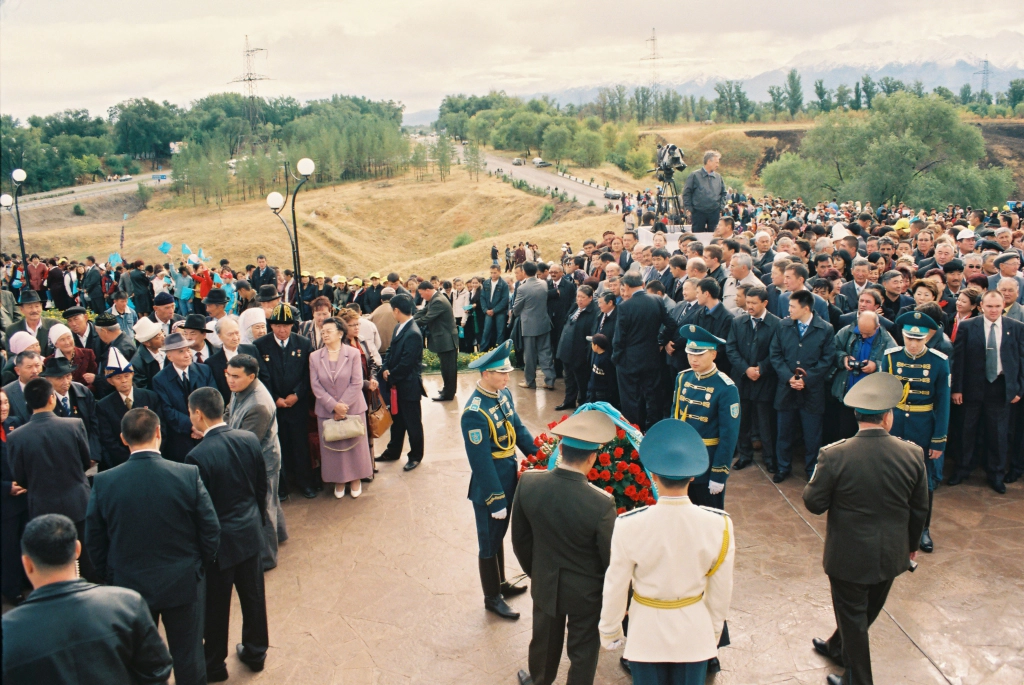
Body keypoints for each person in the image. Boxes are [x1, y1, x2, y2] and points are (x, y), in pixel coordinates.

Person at [803, 373, 929, 685]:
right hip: (891, 554)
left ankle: (858, 680)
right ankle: (836, 647)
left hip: (848, 557)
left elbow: (814, 504)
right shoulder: (912, 454)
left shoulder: (834, 455)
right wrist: (911, 545)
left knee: (854, 615)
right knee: (863, 611)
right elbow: (920, 509)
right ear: (888, 416)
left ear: (856, 415)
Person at [87, 407, 221, 685]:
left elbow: (95, 541)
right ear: (159, 432)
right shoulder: (187, 475)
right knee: (189, 656)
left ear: (123, 439)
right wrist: (198, 565)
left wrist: (111, 576)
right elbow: (210, 529)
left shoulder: (103, 483)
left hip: (129, 585)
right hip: (184, 581)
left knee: (140, 661)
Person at [599, 419, 735, 685]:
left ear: (653, 474)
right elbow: (720, 591)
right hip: (694, 634)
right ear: (693, 476)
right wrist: (713, 632)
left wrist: (610, 630)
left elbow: (616, 584)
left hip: (646, 633)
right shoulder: (719, 524)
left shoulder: (629, 525)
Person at [2, 514, 173, 685]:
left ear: (27, 563)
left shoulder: (8, 631)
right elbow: (157, 671)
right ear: (77, 549)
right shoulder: (126, 604)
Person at [511, 410, 618, 685]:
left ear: (560, 448)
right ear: (593, 458)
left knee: (543, 642)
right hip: (586, 593)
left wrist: (537, 571)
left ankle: (538, 681)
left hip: (545, 581)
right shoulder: (601, 503)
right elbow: (610, 560)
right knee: (583, 652)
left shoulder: (529, 483)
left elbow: (520, 540)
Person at [185, 388, 269, 681]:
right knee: (254, 598)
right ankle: (257, 652)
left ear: (198, 413)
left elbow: (200, 511)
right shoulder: (248, 439)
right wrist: (257, 521)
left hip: (218, 543)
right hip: (249, 533)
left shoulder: (196, 456)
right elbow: (261, 487)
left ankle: (215, 664)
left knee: (216, 606)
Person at [461, 341, 538, 620]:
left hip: (508, 475)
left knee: (499, 535)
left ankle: (501, 583)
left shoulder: (502, 395)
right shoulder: (474, 412)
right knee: (488, 542)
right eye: (501, 373)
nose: (507, 377)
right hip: (489, 487)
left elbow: (517, 428)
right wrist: (495, 498)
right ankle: (491, 597)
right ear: (486, 375)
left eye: (507, 372)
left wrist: (538, 455)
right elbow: (480, 462)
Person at [8, 377, 98, 581]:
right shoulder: (74, 425)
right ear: (52, 398)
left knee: (52, 561)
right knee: (87, 559)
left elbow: (19, 477)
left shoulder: (17, 437)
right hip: (77, 501)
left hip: (42, 505)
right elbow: (86, 462)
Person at [882, 312, 950, 554]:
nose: (912, 343)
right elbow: (885, 395)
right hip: (896, 422)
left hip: (924, 425)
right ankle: (894, 526)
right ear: (902, 335)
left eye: (918, 339)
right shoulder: (891, 357)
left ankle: (923, 528)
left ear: (927, 338)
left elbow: (943, 404)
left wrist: (938, 440)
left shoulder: (939, 361)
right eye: (909, 337)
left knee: (925, 482)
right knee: (892, 476)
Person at [950, 290, 1024, 493]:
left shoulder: (1016, 328)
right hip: (972, 387)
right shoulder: (967, 326)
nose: (993, 310)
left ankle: (996, 474)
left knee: (998, 434)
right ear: (981, 306)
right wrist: (957, 389)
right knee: (967, 430)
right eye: (989, 306)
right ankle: (962, 469)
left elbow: (1021, 360)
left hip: (1000, 388)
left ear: (1003, 307)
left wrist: (1018, 388)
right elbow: (958, 361)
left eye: (997, 306)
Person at [224, 354, 287, 570]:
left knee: (265, 508)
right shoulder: (240, 390)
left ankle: (267, 559)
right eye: (228, 375)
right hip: (261, 457)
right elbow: (229, 413)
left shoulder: (258, 404)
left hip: (263, 462)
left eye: (235, 376)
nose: (230, 380)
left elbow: (246, 442)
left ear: (251, 376)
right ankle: (280, 534)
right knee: (271, 501)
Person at [770, 290, 837, 483]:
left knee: (812, 434)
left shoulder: (825, 329)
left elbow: (827, 360)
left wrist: (806, 380)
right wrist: (788, 377)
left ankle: (811, 469)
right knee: (784, 431)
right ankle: (783, 467)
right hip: (786, 388)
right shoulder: (783, 326)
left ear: (805, 308)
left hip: (812, 391)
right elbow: (775, 355)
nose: (788, 309)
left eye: (792, 306)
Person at [254, 303, 315, 498]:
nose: (282, 330)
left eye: (286, 325)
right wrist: (275, 398)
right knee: (277, 446)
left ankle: (305, 483)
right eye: (277, 325)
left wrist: (297, 394)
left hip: (297, 404)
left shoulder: (303, 344)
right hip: (274, 407)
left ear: (292, 326)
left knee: (300, 445)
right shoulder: (260, 345)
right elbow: (262, 377)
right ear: (270, 325)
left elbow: (308, 374)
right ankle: (281, 486)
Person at [310, 317, 374, 498]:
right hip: (327, 410)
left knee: (354, 446)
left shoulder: (353, 353)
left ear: (340, 333)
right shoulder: (315, 357)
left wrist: (342, 406)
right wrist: (333, 406)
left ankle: (356, 478)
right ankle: (338, 480)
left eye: (329, 331)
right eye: (322, 332)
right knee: (333, 447)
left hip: (352, 408)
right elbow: (315, 386)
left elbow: (357, 382)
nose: (325, 334)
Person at [613, 273, 675, 429]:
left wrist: (616, 357)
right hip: (651, 356)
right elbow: (672, 324)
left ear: (626, 286)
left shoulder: (624, 306)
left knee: (630, 399)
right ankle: (653, 428)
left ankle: (634, 430)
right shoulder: (657, 300)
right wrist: (660, 340)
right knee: (652, 396)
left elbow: (619, 337)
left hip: (629, 359)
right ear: (643, 283)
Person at [727, 286, 780, 472]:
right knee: (743, 422)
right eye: (747, 302)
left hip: (764, 381)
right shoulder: (737, 322)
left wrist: (761, 369)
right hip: (742, 380)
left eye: (753, 303)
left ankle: (770, 458)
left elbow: (776, 353)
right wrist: (746, 369)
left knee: (766, 424)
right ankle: (745, 455)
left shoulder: (776, 324)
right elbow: (731, 349)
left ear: (764, 303)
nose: (749, 306)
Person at [376, 294, 426, 471]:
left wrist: (391, 375)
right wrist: (386, 367)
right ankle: (393, 451)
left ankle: (415, 456)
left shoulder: (413, 332)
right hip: (397, 383)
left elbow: (407, 363)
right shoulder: (400, 327)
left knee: (412, 423)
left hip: (408, 386)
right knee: (397, 422)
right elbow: (391, 350)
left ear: (396, 310)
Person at [151, 331, 217, 463]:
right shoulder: (160, 379)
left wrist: (202, 425)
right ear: (169, 356)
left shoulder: (204, 370)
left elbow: (212, 398)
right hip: (180, 438)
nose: (187, 355)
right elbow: (167, 409)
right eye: (181, 352)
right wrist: (192, 426)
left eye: (188, 350)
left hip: (206, 431)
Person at [95, 348, 162, 470]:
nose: (124, 381)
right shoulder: (104, 406)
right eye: (118, 378)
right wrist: (131, 458)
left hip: (154, 456)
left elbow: (161, 428)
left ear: (132, 375)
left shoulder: (150, 397)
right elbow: (108, 440)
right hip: (123, 463)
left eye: (126, 375)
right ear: (110, 381)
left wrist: (152, 451)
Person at [414, 280, 460, 401]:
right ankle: (447, 390)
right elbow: (423, 312)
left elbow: (426, 319)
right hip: (444, 340)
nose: (422, 296)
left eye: (422, 293)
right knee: (446, 368)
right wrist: (410, 318)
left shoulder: (438, 301)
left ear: (428, 290)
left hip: (447, 340)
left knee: (448, 369)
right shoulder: (434, 299)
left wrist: (409, 323)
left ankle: (448, 394)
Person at [513, 261, 556, 390]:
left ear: (524, 272)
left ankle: (530, 381)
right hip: (543, 322)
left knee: (530, 355)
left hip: (529, 326)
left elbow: (516, 309)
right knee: (546, 353)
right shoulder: (543, 284)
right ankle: (549, 380)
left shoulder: (522, 288)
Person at [555, 285, 599, 411]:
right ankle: (569, 401)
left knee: (581, 381)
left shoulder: (594, 312)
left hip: (579, 353)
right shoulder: (575, 307)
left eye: (583, 297)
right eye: (578, 297)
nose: (579, 300)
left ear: (590, 298)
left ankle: (582, 403)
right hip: (567, 350)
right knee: (569, 379)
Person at [205, 318, 261, 404]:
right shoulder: (212, 363)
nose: (235, 338)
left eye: (237, 333)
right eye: (230, 334)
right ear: (219, 336)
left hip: (254, 402)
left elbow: (262, 377)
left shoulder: (251, 350)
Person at [682, 150, 726, 233]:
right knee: (697, 236)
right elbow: (686, 192)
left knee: (714, 236)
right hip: (698, 212)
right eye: (716, 162)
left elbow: (723, 193)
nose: (717, 165)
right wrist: (689, 208)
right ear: (709, 161)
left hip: (714, 213)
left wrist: (721, 208)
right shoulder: (694, 175)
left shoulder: (718, 177)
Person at [5, 289, 58, 355]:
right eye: (30, 307)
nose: (34, 310)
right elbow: (12, 357)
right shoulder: (12, 330)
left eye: (37, 306)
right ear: (21, 309)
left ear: (41, 306)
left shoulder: (54, 325)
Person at [47, 322, 98, 389]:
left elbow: (95, 380)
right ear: (56, 344)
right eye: (62, 339)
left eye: (69, 337)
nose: (67, 342)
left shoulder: (88, 354)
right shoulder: (49, 361)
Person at [129, 317, 166, 390]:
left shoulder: (165, 350)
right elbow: (145, 389)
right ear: (147, 343)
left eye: (161, 333)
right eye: (158, 337)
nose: (163, 337)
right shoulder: (137, 364)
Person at [480, 264, 511, 351]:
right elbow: (482, 297)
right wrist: (485, 310)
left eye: (495, 273)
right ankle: (482, 352)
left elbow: (505, 300)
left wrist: (495, 310)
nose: (493, 275)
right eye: (491, 273)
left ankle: (499, 352)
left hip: (499, 311)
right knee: (486, 331)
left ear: (499, 272)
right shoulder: (486, 283)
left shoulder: (504, 284)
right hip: (488, 311)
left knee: (500, 332)